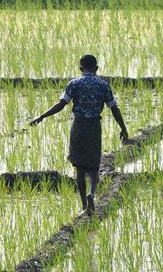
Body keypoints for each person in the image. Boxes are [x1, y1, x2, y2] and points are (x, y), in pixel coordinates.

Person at [29, 55, 129, 216]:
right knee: (94, 168)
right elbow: (114, 108)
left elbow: (61, 104)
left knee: (80, 169)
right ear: (96, 68)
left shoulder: (74, 84)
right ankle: (93, 194)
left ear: (80, 69)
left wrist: (41, 116)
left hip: (79, 127)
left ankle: (84, 204)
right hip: (94, 127)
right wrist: (123, 128)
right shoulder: (103, 85)